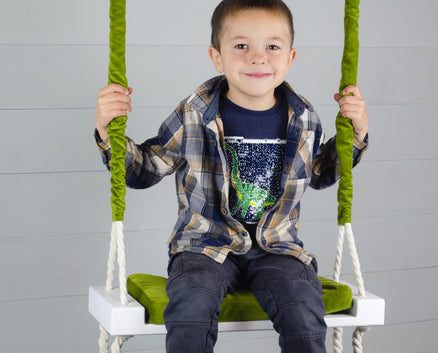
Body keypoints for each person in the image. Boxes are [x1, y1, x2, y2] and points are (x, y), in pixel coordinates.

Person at [94, 0, 368, 352]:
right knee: (190, 309)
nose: (258, 57)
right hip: (203, 247)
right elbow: (143, 169)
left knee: (303, 309)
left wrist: (355, 135)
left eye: (272, 46)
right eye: (241, 46)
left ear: (290, 57)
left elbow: (321, 172)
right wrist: (106, 131)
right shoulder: (194, 113)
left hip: (277, 249)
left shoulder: (303, 117)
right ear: (217, 57)